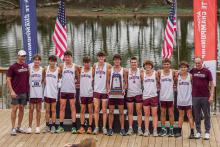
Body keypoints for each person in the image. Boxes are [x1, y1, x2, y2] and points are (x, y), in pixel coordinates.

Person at [56, 50, 80, 134]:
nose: (67, 58)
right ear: (64, 58)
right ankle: (61, 126)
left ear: (71, 57)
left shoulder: (75, 66)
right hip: (63, 90)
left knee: (73, 108)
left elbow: (78, 77)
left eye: (68, 57)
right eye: (65, 57)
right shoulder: (61, 66)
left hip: (72, 91)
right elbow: (58, 76)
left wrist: (77, 84)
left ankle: (74, 127)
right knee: (62, 108)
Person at [190, 57, 214, 140]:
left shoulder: (207, 71)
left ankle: (207, 132)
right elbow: (182, 72)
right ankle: (198, 132)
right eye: (196, 63)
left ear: (202, 62)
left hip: (205, 96)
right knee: (197, 115)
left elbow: (211, 84)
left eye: (199, 63)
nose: (197, 64)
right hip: (195, 96)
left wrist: (211, 95)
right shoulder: (192, 70)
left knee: (207, 115)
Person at [7, 50, 29, 136]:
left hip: (24, 92)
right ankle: (13, 128)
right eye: (22, 56)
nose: (23, 57)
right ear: (18, 56)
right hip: (15, 92)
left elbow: (27, 78)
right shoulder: (13, 67)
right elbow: (8, 79)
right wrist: (11, 91)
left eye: (24, 56)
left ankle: (19, 127)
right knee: (14, 109)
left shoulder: (26, 66)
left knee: (22, 109)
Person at [106, 54, 127, 136]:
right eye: (115, 60)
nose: (117, 61)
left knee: (121, 112)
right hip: (111, 95)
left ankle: (122, 129)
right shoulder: (109, 70)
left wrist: (124, 89)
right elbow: (107, 82)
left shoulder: (124, 70)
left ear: (120, 61)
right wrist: (108, 90)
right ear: (113, 61)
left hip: (120, 95)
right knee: (110, 112)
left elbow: (126, 82)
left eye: (118, 60)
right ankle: (110, 129)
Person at [92, 51, 111, 135]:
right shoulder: (95, 65)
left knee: (104, 110)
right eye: (99, 57)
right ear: (97, 57)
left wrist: (109, 88)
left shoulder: (108, 66)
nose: (101, 58)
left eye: (102, 57)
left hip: (104, 91)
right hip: (96, 90)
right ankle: (96, 127)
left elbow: (111, 77)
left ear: (104, 57)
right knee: (96, 109)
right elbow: (92, 77)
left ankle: (104, 127)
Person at [174, 61, 194, 138]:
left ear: (187, 68)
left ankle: (192, 133)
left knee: (190, 116)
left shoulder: (191, 76)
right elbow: (174, 83)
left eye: (185, 67)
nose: (183, 68)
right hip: (180, 100)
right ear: (179, 68)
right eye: (181, 67)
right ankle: (179, 132)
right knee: (181, 116)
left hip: (188, 100)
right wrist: (176, 73)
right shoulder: (177, 76)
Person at [158, 58, 177, 137]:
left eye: (168, 64)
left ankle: (171, 129)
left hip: (170, 97)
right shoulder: (159, 72)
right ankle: (163, 129)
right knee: (162, 113)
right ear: (163, 65)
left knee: (171, 114)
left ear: (170, 65)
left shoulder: (173, 72)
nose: (166, 66)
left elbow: (179, 73)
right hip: (162, 96)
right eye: (165, 64)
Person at [43, 55, 61, 133]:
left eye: (54, 61)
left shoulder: (58, 69)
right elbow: (43, 78)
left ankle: (53, 125)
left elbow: (60, 79)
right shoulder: (46, 68)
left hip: (54, 93)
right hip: (47, 92)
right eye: (51, 61)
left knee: (53, 110)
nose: (52, 62)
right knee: (47, 110)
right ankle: (47, 125)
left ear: (55, 62)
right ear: (49, 61)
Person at [26, 54, 44, 134]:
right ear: (33, 61)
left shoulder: (42, 69)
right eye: (35, 60)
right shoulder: (29, 68)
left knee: (38, 110)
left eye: (38, 60)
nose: (36, 61)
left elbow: (43, 81)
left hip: (39, 93)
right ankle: (29, 127)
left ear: (40, 61)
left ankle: (37, 127)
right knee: (31, 110)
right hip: (32, 93)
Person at [126, 57, 143, 136]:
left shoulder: (141, 71)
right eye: (132, 62)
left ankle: (139, 129)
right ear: (130, 63)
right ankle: (130, 128)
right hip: (130, 93)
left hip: (138, 93)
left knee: (139, 112)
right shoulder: (127, 71)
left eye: (135, 62)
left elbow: (151, 73)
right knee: (130, 112)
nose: (133, 64)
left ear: (137, 63)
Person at [141, 60, 159, 137]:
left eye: (149, 65)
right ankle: (146, 130)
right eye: (146, 65)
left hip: (154, 96)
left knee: (154, 114)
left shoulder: (155, 73)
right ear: (144, 66)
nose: (147, 66)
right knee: (146, 114)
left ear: (151, 66)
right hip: (145, 96)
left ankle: (155, 130)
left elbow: (158, 82)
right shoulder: (142, 74)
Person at [77, 56, 94, 134]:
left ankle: (90, 127)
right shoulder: (80, 69)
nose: (87, 64)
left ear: (90, 63)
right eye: (85, 62)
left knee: (90, 111)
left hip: (90, 93)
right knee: (82, 110)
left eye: (88, 62)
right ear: (83, 63)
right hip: (82, 93)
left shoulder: (92, 70)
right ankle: (82, 127)